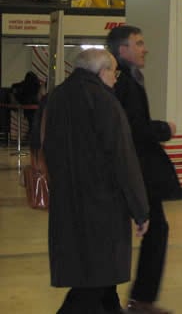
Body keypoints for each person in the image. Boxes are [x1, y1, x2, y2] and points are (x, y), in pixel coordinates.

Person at [43, 49, 149, 314]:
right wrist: (140, 210)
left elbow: (42, 146)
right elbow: (123, 158)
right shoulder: (104, 100)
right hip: (103, 207)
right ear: (102, 72)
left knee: (101, 281)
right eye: (114, 72)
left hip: (67, 203)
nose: (116, 78)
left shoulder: (55, 97)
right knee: (94, 283)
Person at [107, 25, 180, 314]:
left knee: (153, 229)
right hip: (136, 171)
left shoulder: (126, 80)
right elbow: (133, 129)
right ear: (122, 50)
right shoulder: (125, 82)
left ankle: (139, 298)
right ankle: (141, 300)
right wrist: (164, 129)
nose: (144, 48)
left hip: (134, 169)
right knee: (156, 229)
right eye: (138, 43)